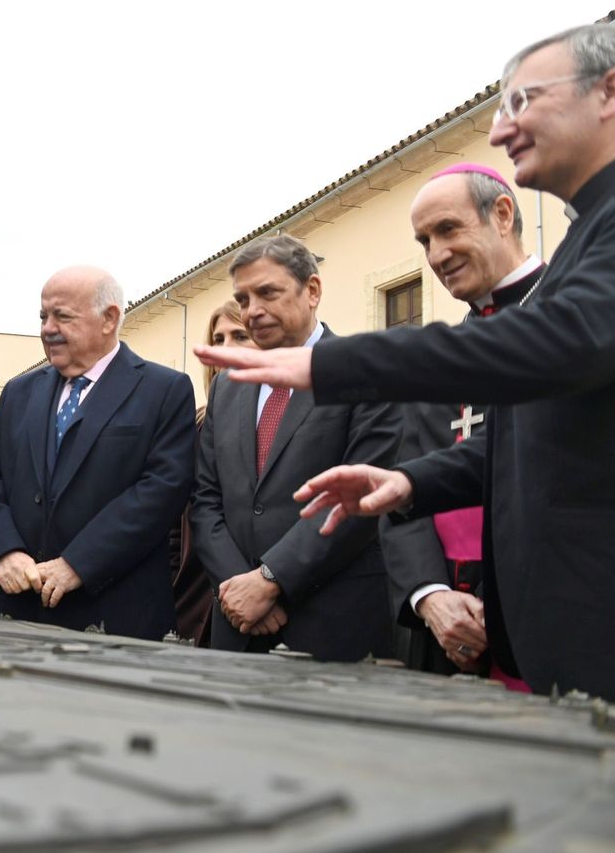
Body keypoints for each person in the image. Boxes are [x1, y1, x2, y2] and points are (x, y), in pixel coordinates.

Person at [194, 23, 615, 717]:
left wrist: (332, 363)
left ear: (610, 93)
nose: (502, 130)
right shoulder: (594, 232)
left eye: (523, 101)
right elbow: (526, 435)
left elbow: (564, 342)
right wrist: (409, 480)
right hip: (568, 635)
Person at [189, 236, 401, 661]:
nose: (252, 311)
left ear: (313, 291)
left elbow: (360, 496)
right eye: (243, 299)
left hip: (334, 625)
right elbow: (206, 500)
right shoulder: (228, 387)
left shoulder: (365, 371)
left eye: (268, 293)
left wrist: (271, 580)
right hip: (238, 627)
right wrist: (239, 585)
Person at [0, 266, 195, 639]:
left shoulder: (163, 390)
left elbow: (161, 491)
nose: (47, 328)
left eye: (62, 316)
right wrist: (4, 552)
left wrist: (78, 564)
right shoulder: (19, 392)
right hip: (18, 610)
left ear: (110, 319)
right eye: (43, 316)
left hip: (113, 615)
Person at [381, 164, 543, 679]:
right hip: (446, 636)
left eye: (448, 230)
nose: (435, 255)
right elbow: (398, 495)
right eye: (424, 240)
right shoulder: (439, 363)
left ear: (501, 214)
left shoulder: (570, 323)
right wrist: (431, 599)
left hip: (551, 622)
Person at [170, 300, 254, 644]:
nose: (226, 349)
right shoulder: (197, 425)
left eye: (240, 336)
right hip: (193, 598)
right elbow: (178, 516)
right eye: (218, 340)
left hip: (259, 594)